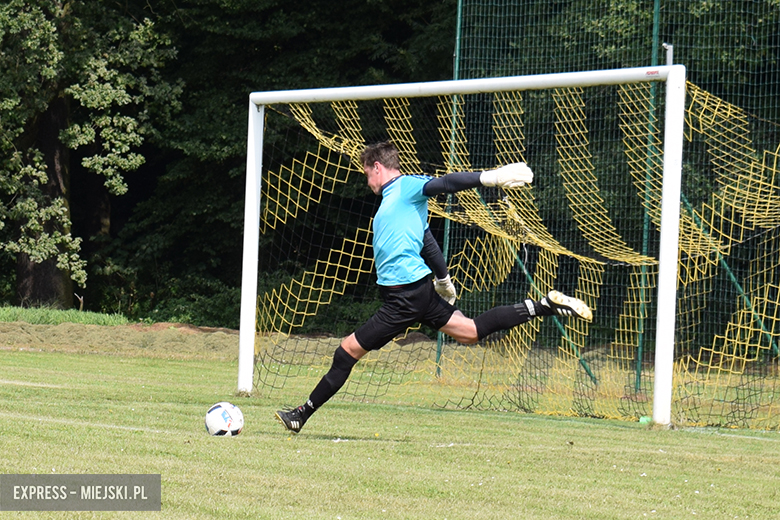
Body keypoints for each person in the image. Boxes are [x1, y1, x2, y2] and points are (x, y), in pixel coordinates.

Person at [275, 141, 592, 434]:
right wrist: (443, 280)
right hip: (419, 292)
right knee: (470, 331)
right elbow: (427, 242)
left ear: (376, 166)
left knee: (345, 353)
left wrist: (490, 178)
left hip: (403, 299)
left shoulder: (405, 188)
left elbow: (446, 183)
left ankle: (300, 416)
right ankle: (543, 305)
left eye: (366, 173)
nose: (367, 182)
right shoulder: (401, 203)